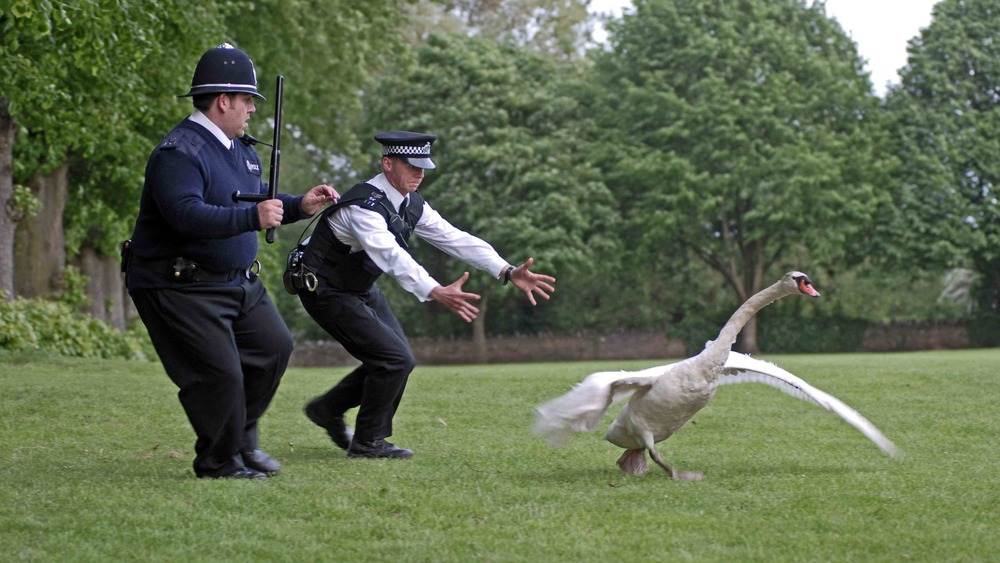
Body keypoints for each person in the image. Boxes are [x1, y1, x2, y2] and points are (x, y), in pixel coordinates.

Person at [124, 43, 339, 479]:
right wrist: (251, 217)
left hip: (236, 281)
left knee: (273, 348)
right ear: (223, 100)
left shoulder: (242, 150)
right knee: (219, 375)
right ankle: (219, 461)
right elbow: (185, 215)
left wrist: (301, 205)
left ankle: (241, 441)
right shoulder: (178, 153)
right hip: (178, 283)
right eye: (247, 101)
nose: (252, 111)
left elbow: (257, 203)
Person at [298, 130, 556, 459]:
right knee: (394, 360)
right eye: (412, 166)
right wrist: (433, 289)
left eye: (423, 167)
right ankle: (367, 443)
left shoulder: (409, 204)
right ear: (387, 163)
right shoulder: (364, 207)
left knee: (397, 360)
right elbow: (391, 255)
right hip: (324, 289)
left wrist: (506, 269)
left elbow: (454, 238)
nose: (420, 173)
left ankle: (327, 410)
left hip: (357, 287)